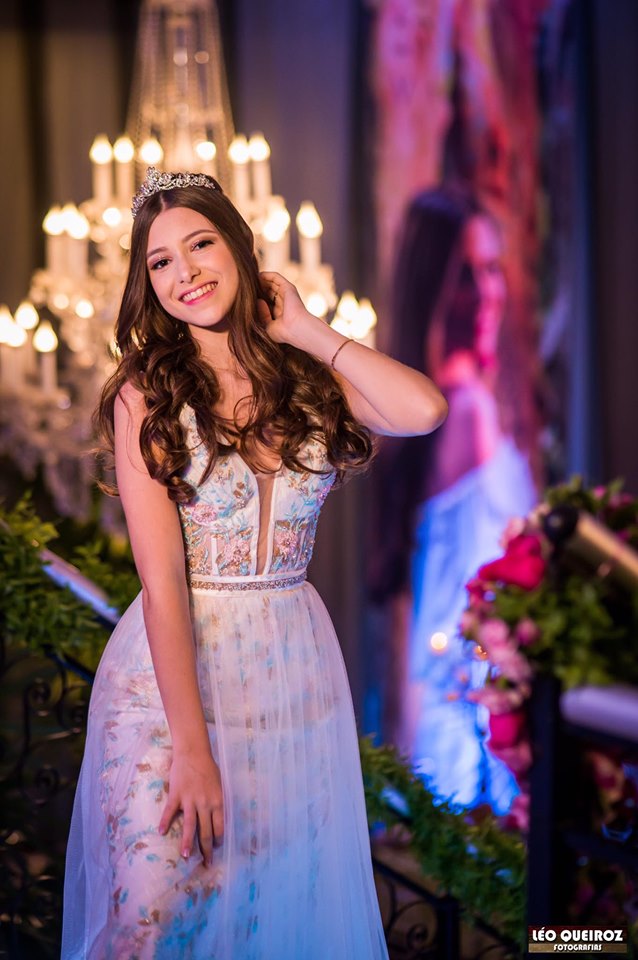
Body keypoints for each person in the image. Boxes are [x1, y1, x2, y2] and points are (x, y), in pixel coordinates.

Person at [61, 166, 448, 959]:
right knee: (151, 927)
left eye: (200, 245)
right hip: (169, 692)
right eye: (160, 261)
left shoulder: (307, 379)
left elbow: (424, 409)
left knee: (264, 925)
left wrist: (305, 328)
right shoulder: (146, 394)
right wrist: (191, 748)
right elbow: (161, 583)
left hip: (287, 682)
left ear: (240, 249)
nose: (184, 272)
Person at [372, 185, 536, 812]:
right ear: (433, 289)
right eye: (468, 275)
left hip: (456, 696)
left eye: (492, 270)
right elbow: (468, 595)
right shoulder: (464, 408)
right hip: (473, 712)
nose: (489, 292)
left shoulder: (426, 406)